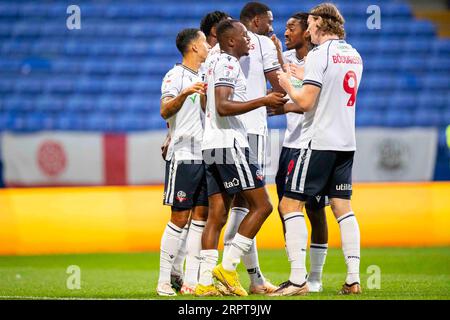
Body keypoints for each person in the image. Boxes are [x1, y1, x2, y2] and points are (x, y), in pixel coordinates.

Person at [268, 3, 363, 296]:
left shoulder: (320, 54)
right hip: (345, 142)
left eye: (309, 23)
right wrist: (300, 71)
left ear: (320, 23)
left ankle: (298, 280)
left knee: (289, 205)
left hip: (317, 142)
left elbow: (307, 102)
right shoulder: (353, 54)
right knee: (342, 208)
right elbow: (331, 92)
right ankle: (353, 278)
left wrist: (286, 81)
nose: (307, 30)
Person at [195, 19, 288, 297]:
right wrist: (263, 100)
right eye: (244, 35)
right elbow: (223, 106)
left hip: (211, 144)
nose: (250, 39)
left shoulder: (212, 62)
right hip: (229, 143)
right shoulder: (227, 63)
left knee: (217, 215)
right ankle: (228, 267)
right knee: (262, 206)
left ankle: (204, 283)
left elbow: (207, 103)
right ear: (231, 41)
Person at [221, 1, 284, 295]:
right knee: (253, 205)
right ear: (256, 21)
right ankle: (228, 269)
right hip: (253, 132)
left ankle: (250, 277)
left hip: (222, 134)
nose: (274, 28)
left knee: (230, 205)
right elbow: (279, 85)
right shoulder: (261, 43)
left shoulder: (218, 53)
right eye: (270, 22)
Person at [271, 12, 329, 293]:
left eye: (291, 28)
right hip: (289, 146)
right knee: (287, 211)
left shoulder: (320, 62)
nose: (285, 32)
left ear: (307, 32)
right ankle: (298, 272)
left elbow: (311, 103)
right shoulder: (290, 62)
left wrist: (282, 107)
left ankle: (313, 278)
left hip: (313, 145)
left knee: (316, 211)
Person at [157, 28, 210, 296]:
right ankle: (164, 280)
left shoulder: (205, 74)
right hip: (184, 155)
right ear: (193, 48)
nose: (208, 46)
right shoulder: (175, 76)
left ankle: (190, 281)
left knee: (200, 218)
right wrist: (186, 92)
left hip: (206, 154)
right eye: (204, 42)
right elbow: (165, 110)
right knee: (179, 218)